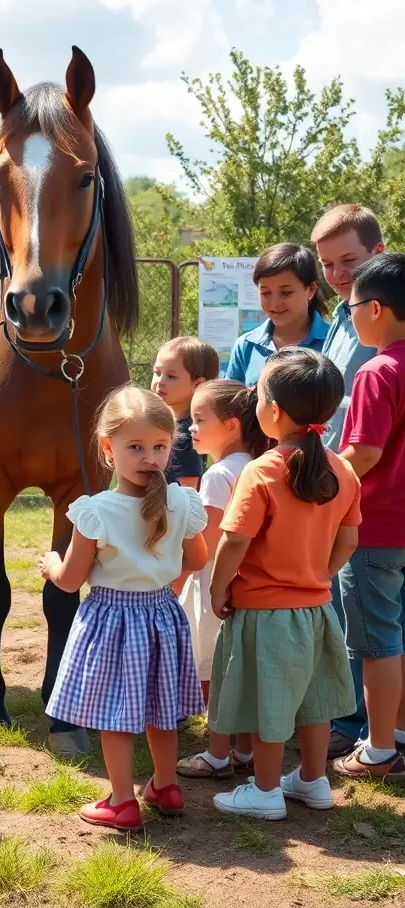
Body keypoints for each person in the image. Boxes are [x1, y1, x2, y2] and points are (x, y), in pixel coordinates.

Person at [40, 386, 208, 829]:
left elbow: (72, 580)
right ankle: (166, 786)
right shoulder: (181, 502)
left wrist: (51, 564)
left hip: (112, 620)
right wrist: (162, 585)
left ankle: (121, 801)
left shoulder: (95, 512)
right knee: (161, 706)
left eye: (158, 446)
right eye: (137, 446)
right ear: (109, 448)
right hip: (163, 616)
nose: (149, 456)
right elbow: (198, 559)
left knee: (116, 714)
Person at [208, 348, 359, 820]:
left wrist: (217, 588)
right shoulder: (343, 469)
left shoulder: (262, 469)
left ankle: (267, 790)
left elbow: (233, 541)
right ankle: (313, 781)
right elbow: (349, 539)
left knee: (268, 700)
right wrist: (320, 575)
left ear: (273, 412)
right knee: (315, 702)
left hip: (263, 612)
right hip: (316, 609)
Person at [312, 204, 385, 758]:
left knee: (365, 614)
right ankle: (353, 717)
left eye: (349, 261)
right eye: (327, 262)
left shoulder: (383, 324)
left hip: (368, 488)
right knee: (342, 604)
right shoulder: (342, 315)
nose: (337, 274)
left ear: (377, 256)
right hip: (336, 483)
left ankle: (365, 728)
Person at [332, 254, 405, 782]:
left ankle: (378, 750)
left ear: (375, 309)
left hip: (375, 529)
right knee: (399, 637)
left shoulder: (377, 371)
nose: (349, 313)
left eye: (352, 305)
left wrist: (317, 480)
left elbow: (364, 453)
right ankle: (397, 734)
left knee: (376, 643)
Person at [175, 380, 269, 781]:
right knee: (240, 668)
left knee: (212, 673)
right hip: (246, 583)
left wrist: (173, 571)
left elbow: (207, 542)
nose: (189, 428)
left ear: (231, 425)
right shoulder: (256, 464)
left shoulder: (217, 475)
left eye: (199, 419)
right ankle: (244, 749)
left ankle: (216, 753)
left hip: (213, 584)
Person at [226, 244, 329, 386]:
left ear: (311, 289)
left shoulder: (333, 341)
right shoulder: (246, 346)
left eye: (286, 293)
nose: (275, 304)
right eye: (266, 293)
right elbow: (229, 404)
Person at [152, 337, 219, 488]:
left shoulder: (187, 434)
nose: (160, 381)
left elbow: (188, 492)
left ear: (198, 384)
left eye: (171, 376)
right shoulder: (164, 423)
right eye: (157, 372)